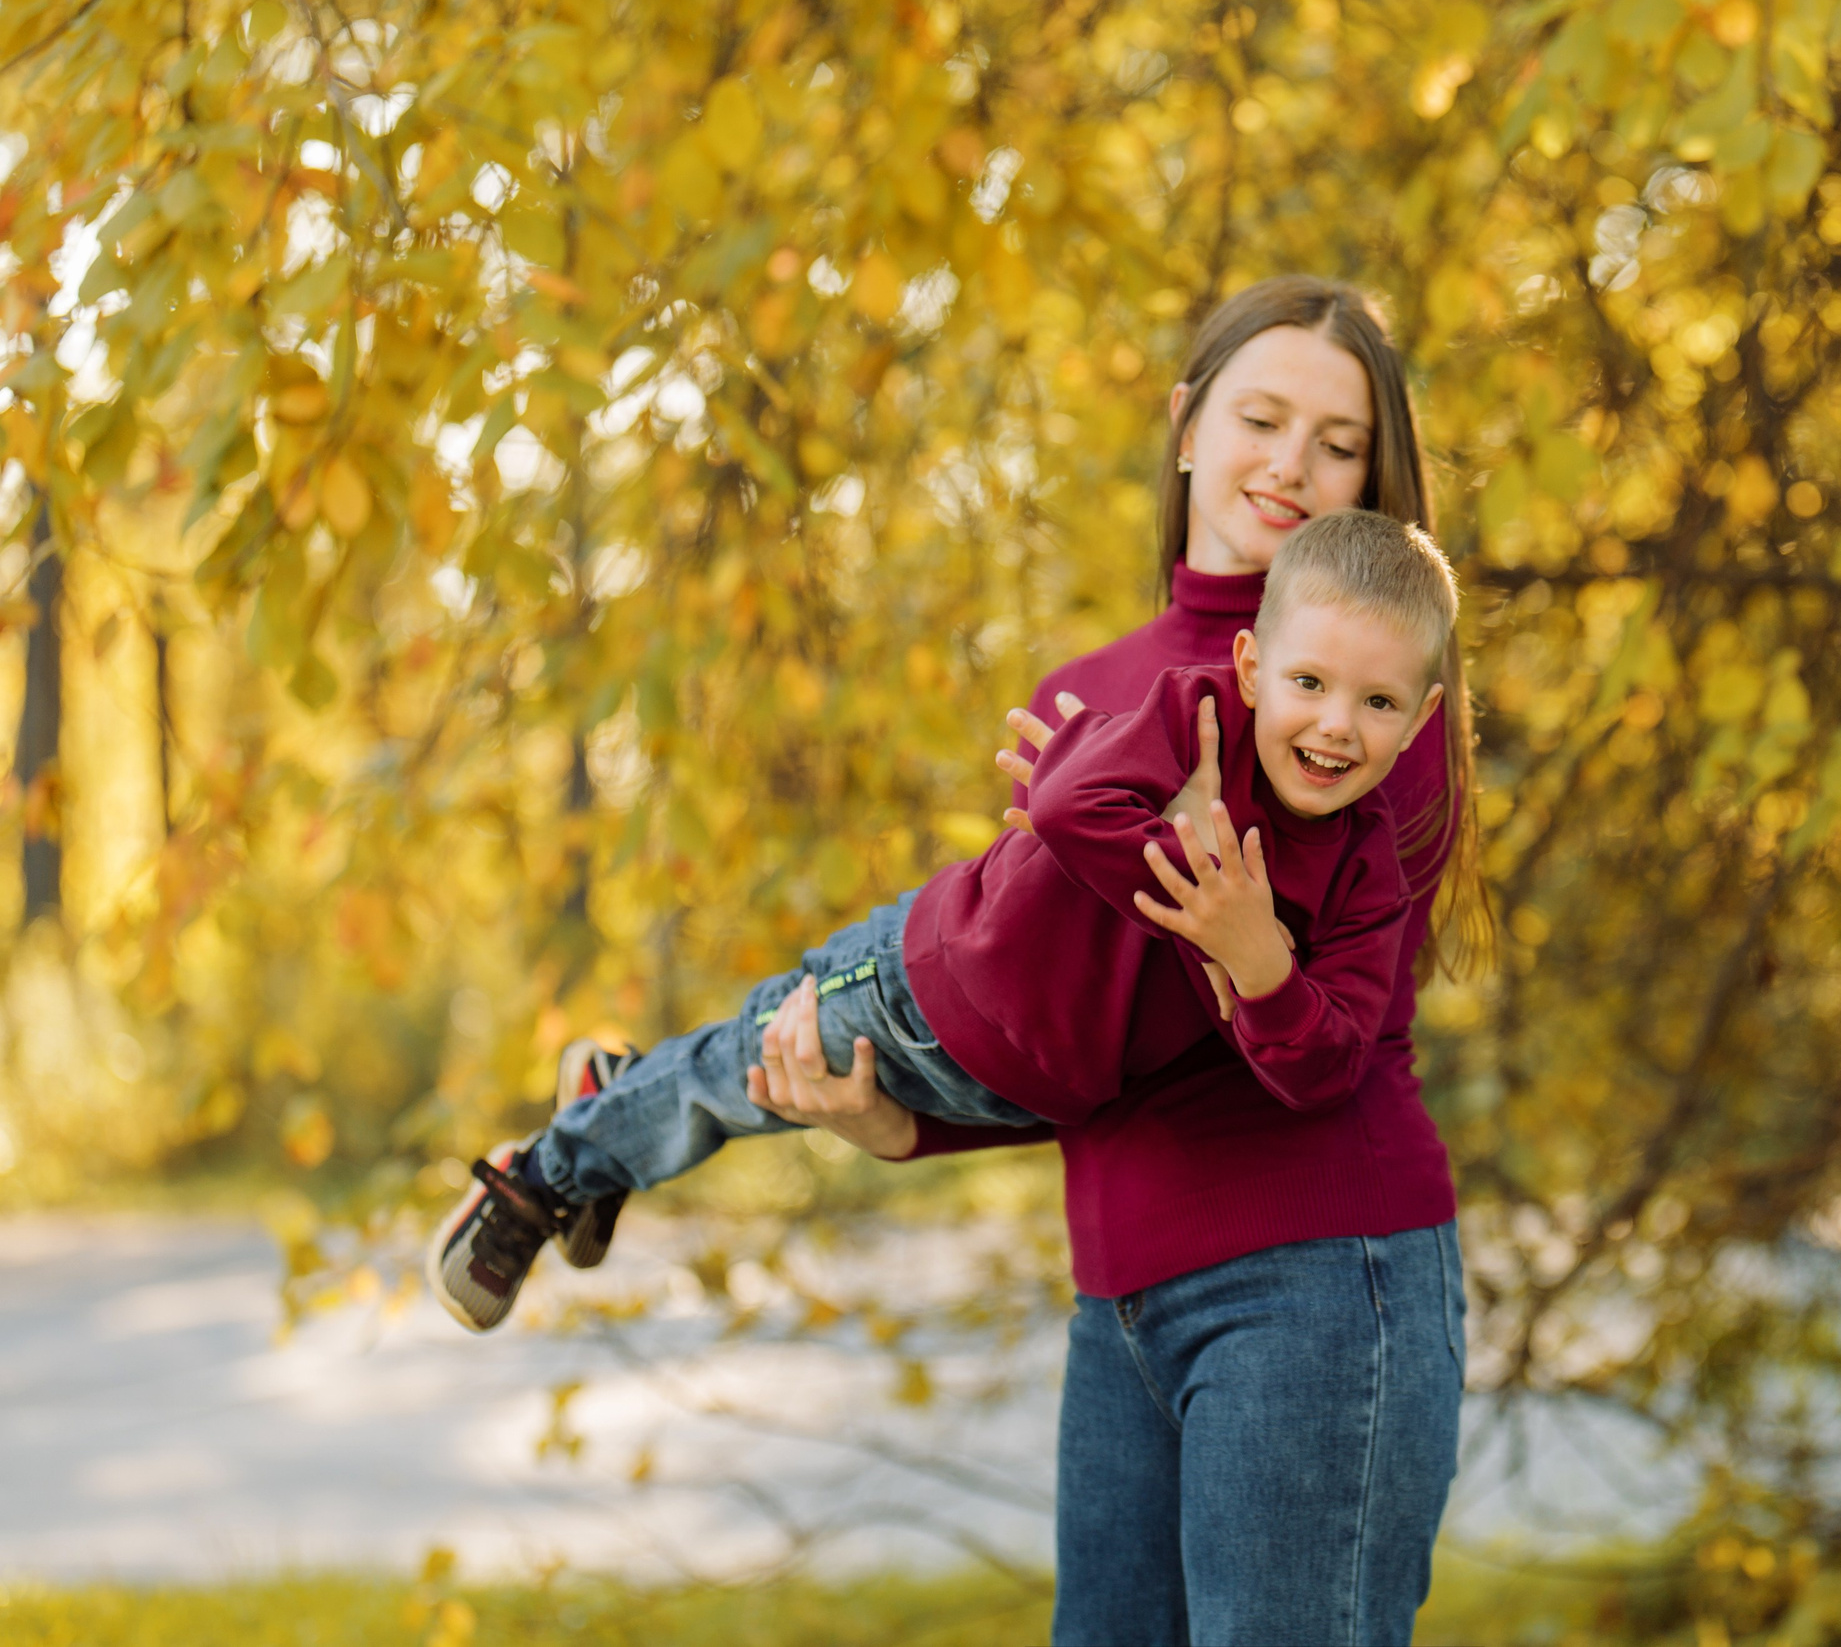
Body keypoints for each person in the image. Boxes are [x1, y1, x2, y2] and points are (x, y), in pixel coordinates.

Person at [750, 275, 1486, 1646]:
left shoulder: (1367, 694)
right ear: (1188, 424)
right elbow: (1065, 1038)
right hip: (1125, 1297)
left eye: (1340, 442)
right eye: (1266, 417)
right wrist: (894, 1121)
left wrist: (1234, 929)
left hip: (1317, 1276)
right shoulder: (1092, 697)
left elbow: (1294, 1037)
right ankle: (592, 1137)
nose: (1295, 464)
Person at [426, 509, 1459, 1337]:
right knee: (744, 1076)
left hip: (1025, 1088)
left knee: (753, 1099)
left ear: (1417, 721)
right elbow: (1063, 808)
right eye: (1309, 683)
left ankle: (610, 1107)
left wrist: (1262, 962)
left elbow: (1324, 1062)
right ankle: (544, 1176)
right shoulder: (1189, 718)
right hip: (927, 985)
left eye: (1376, 703)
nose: (1333, 725)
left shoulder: (1369, 875)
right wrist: (1206, 902)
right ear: (1249, 670)